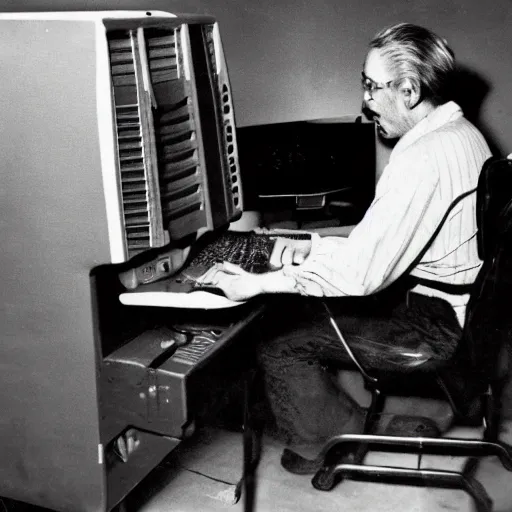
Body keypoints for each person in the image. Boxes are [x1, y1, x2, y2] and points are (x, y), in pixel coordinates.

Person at [197, 23, 492, 464]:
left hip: (434, 326)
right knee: (303, 302)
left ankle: (328, 442)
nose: (366, 101)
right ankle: (345, 420)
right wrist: (308, 248)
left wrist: (260, 283)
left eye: (373, 87)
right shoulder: (463, 135)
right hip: (461, 315)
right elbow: (383, 245)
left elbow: (361, 275)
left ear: (409, 91)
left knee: (280, 341)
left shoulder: (421, 159)